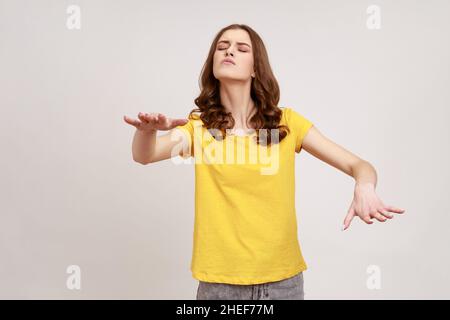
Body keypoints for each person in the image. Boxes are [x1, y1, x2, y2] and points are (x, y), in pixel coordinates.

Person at [123, 24, 405, 300]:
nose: (229, 51)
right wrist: (145, 131)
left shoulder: (287, 123)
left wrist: (365, 186)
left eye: (241, 48)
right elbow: (144, 155)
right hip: (220, 285)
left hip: (283, 283)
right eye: (222, 47)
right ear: (213, 64)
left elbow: (360, 166)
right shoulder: (200, 127)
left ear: (256, 68)